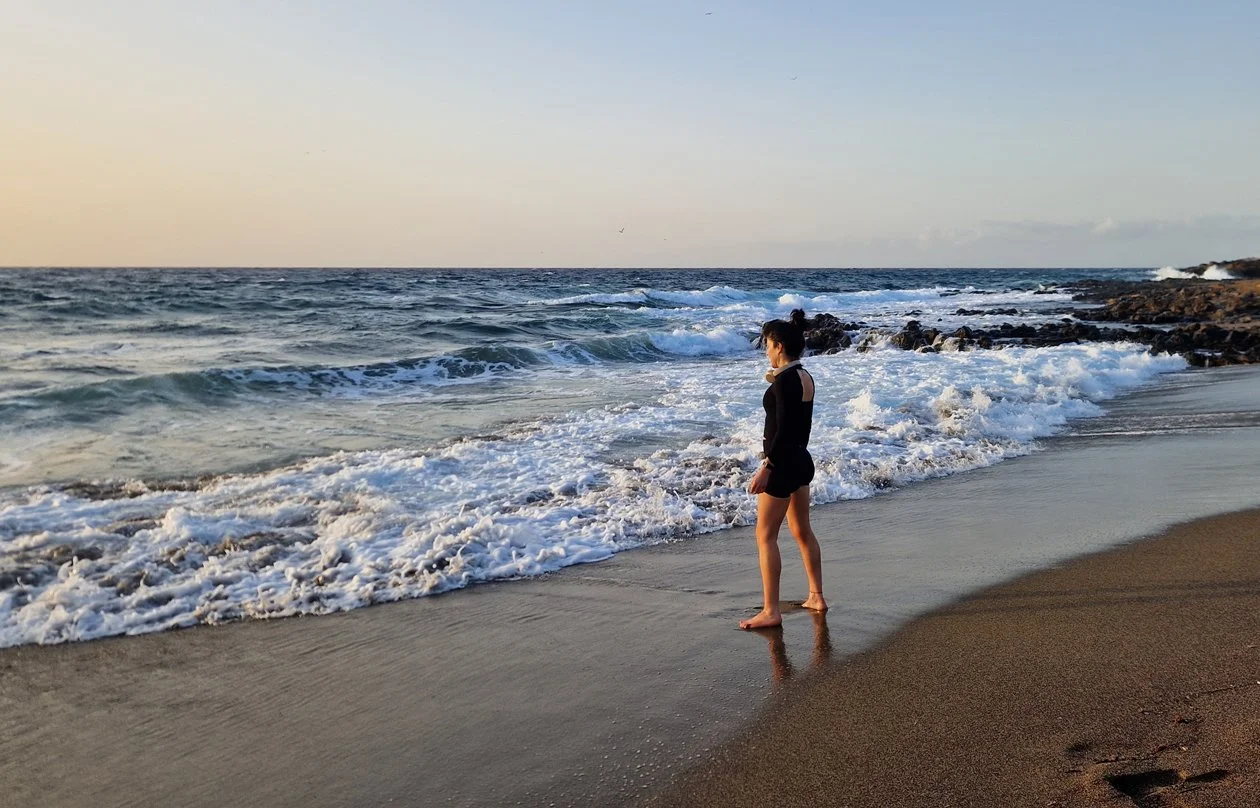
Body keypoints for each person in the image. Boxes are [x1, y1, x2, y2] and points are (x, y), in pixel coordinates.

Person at [740, 309, 827, 630]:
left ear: (778, 346)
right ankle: (816, 595)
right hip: (802, 461)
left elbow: (783, 431)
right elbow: (796, 430)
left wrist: (767, 466)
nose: (765, 350)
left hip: (784, 464)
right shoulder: (805, 376)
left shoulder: (785, 381)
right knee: (802, 532)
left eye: (767, 345)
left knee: (765, 537)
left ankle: (770, 611)